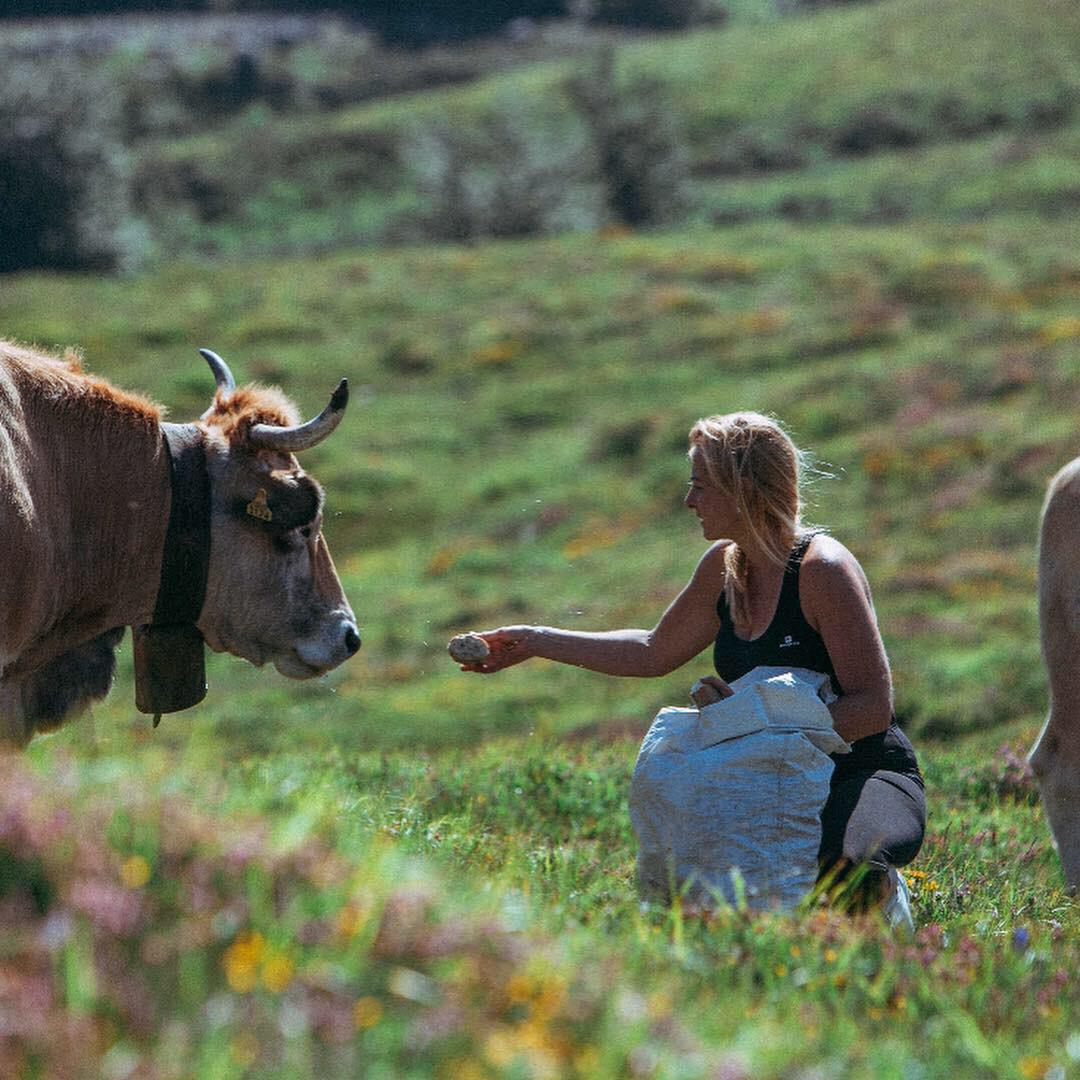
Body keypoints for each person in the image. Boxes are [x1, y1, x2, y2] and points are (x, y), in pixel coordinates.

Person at [460, 411, 925, 918]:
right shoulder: (724, 568)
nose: (689, 500)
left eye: (701, 485)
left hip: (859, 769)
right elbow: (652, 651)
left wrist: (746, 718)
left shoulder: (823, 570)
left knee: (841, 867)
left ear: (743, 488)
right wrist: (534, 641)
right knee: (709, 893)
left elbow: (874, 709)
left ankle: (894, 925)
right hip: (764, 778)